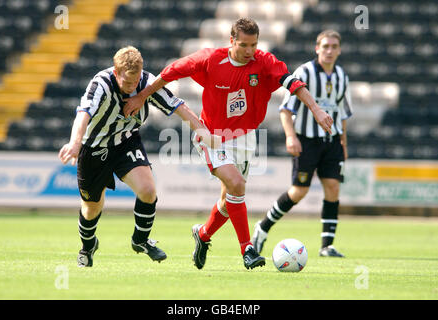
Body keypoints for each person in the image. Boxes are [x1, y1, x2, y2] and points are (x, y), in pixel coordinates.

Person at [123, 18, 333, 270]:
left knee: (228, 200)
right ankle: (248, 249)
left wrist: (317, 110)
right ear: (231, 40)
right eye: (243, 44)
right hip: (212, 134)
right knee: (237, 184)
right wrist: (141, 97)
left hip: (246, 137)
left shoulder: (264, 61)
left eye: (253, 44)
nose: (249, 51)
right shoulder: (211, 59)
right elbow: (170, 73)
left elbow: (293, 84)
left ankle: (202, 235)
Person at [58, 46, 218, 267]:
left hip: (125, 142)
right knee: (92, 206)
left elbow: (177, 106)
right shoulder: (101, 84)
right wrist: (75, 143)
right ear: (116, 73)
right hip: (94, 147)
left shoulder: (146, 83)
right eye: (126, 83)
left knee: (148, 190)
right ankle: (87, 247)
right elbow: (83, 113)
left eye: (135, 82)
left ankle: (140, 241)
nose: (132, 88)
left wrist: (203, 132)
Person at [252, 30, 353, 257]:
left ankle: (327, 245)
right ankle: (263, 226)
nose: (329, 50)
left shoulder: (342, 76)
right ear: (317, 48)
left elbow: (343, 114)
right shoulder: (304, 72)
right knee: (299, 191)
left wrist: (343, 142)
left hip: (332, 141)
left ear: (339, 50)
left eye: (334, 46)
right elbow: (286, 110)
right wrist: (291, 136)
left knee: (333, 188)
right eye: (325, 46)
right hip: (307, 140)